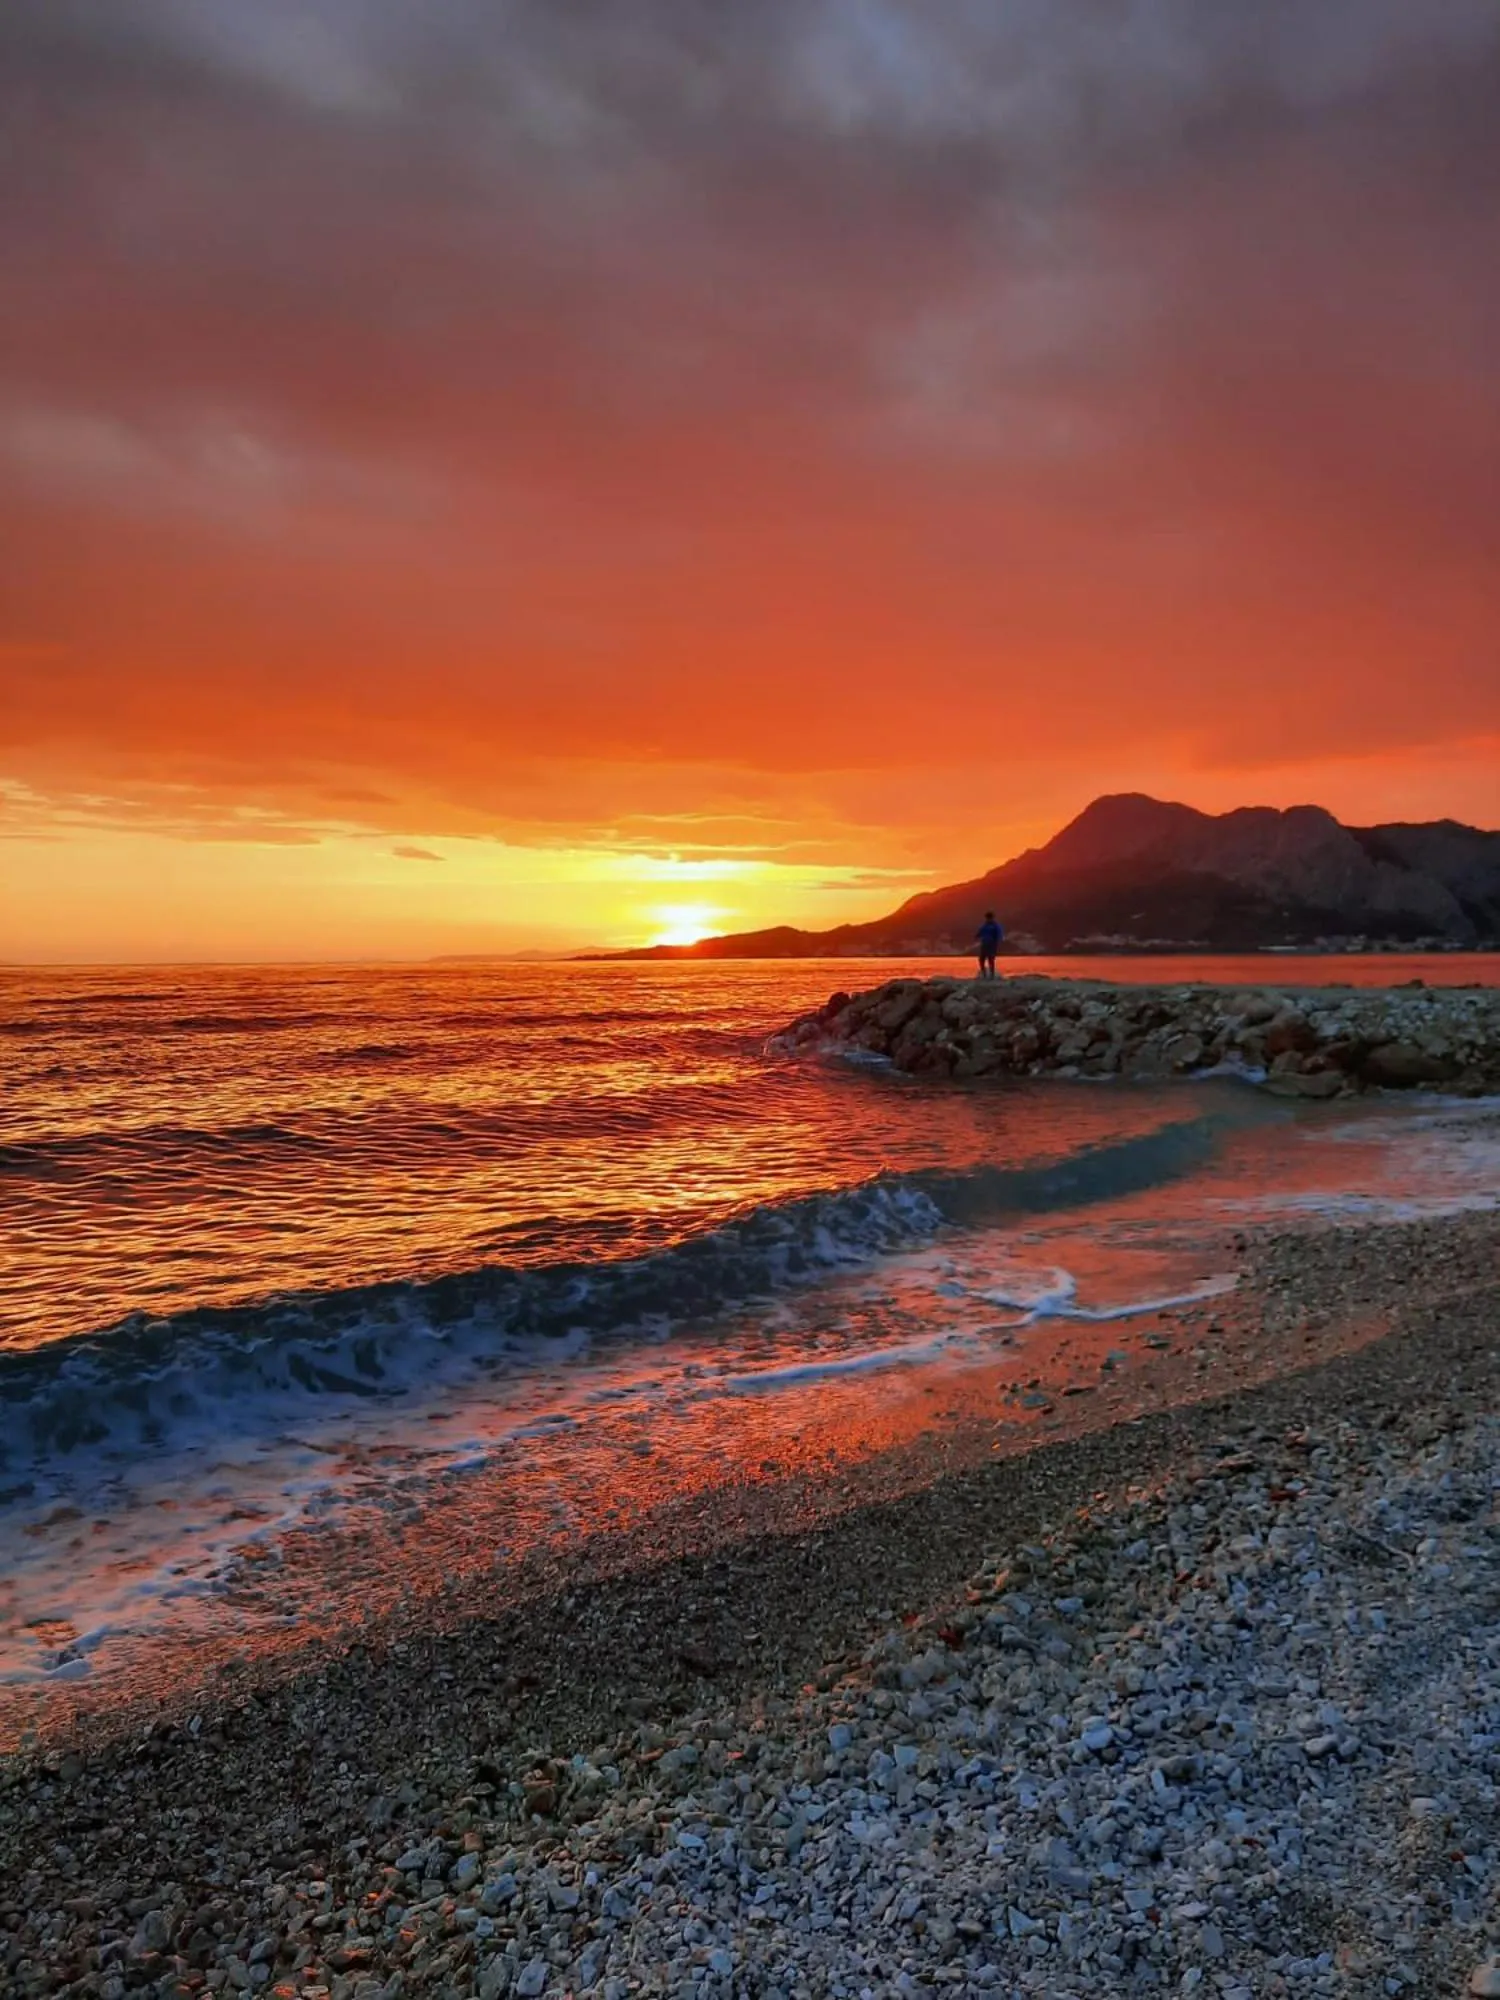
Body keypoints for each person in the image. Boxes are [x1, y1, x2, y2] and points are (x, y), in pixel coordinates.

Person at [976, 909, 1004, 980]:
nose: (988, 919)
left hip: (991, 944)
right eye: (987, 918)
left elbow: (999, 934)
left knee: (990, 959)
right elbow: (980, 932)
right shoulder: (985, 925)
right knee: (981, 959)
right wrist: (977, 936)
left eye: (989, 918)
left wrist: (997, 942)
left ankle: (992, 975)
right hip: (984, 944)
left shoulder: (995, 926)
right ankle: (984, 974)